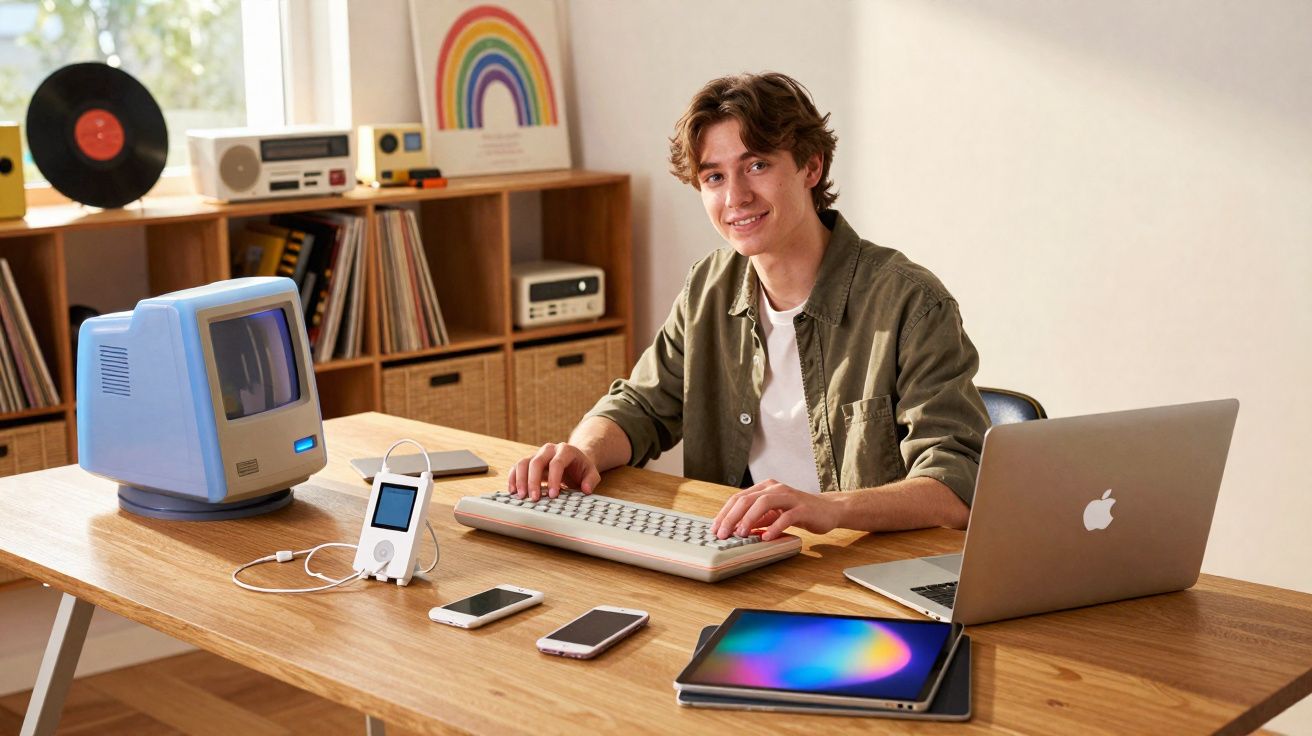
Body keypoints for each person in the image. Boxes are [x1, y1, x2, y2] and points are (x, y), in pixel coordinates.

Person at [507, 72, 990, 542]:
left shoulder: (911, 303)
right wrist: (582, 451)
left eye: (757, 165)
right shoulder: (708, 287)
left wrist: (830, 508)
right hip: (741, 552)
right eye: (714, 176)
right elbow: (641, 406)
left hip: (867, 566)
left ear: (811, 167)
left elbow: (956, 483)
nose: (735, 197)